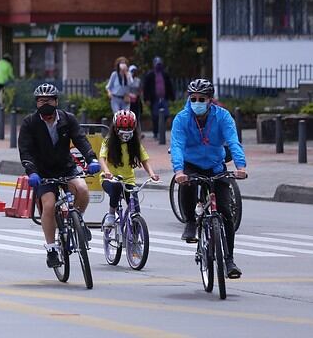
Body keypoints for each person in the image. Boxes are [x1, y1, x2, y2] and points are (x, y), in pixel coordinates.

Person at [171, 78, 247, 279]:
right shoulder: (181, 118)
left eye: (201, 99)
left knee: (226, 212)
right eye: (193, 98)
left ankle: (229, 260)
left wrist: (241, 166)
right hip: (191, 163)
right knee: (186, 183)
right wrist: (179, 171)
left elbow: (233, 140)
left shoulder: (222, 117)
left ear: (210, 100)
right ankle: (189, 222)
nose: (197, 102)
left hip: (215, 165)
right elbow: (177, 145)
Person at [19, 83, 101, 269]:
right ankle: (51, 249)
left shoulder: (67, 119)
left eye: (48, 100)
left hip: (66, 168)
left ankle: (77, 222)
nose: (45, 104)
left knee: (82, 190)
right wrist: (31, 172)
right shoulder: (29, 123)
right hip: (42, 173)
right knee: (48, 205)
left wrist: (92, 160)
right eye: (41, 101)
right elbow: (25, 151)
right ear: (36, 103)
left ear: (56, 101)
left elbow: (81, 140)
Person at [100, 109, 159, 229]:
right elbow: (102, 158)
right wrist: (106, 171)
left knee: (135, 209)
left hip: (128, 181)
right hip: (110, 180)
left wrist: (152, 174)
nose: (126, 132)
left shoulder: (135, 143)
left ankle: (136, 237)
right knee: (116, 188)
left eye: (129, 129)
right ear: (115, 128)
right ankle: (111, 214)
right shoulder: (108, 141)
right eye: (123, 129)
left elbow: (144, 160)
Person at [143, 56, 175, 141]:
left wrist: (172, 97)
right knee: (155, 116)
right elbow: (146, 87)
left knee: (166, 114)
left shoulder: (165, 74)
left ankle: (162, 130)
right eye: (157, 64)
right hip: (154, 100)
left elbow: (169, 86)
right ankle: (156, 132)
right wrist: (146, 99)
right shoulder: (150, 75)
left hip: (164, 98)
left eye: (160, 64)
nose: (158, 66)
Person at [127, 64, 143, 132]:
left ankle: (138, 132)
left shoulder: (138, 80)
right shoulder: (127, 80)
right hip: (128, 101)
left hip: (136, 101)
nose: (134, 73)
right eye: (132, 71)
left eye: (135, 71)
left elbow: (140, 90)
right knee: (129, 116)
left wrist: (138, 95)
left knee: (136, 116)